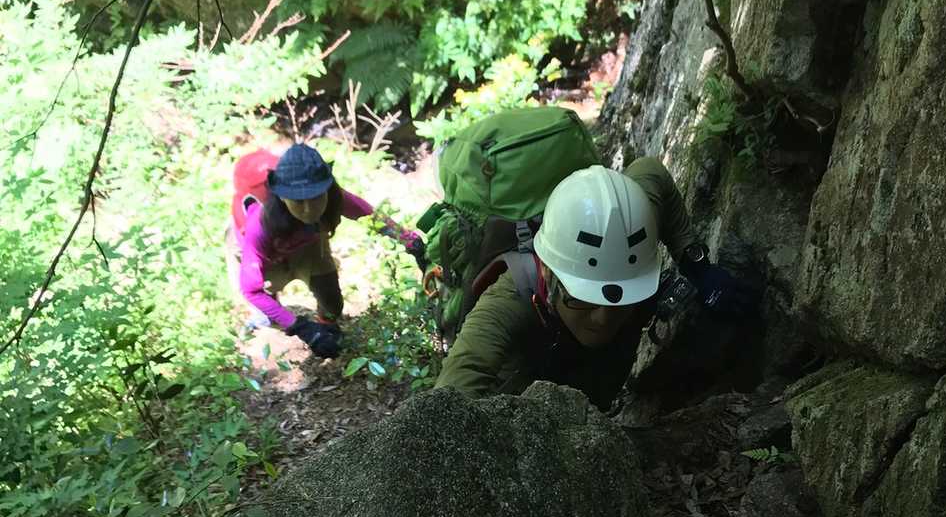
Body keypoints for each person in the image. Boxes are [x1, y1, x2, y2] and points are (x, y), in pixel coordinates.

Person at [433, 159, 759, 408]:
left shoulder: (630, 227)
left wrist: (695, 264)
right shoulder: (508, 301)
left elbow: (651, 172)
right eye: (583, 298)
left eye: (621, 299)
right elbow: (449, 398)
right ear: (548, 274)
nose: (603, 319)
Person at [229, 143, 424, 358]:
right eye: (298, 202)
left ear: (326, 189)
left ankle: (327, 327)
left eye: (315, 198)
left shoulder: (334, 197)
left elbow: (370, 216)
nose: (308, 209)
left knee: (331, 303)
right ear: (282, 197)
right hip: (268, 255)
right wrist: (302, 328)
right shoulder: (260, 227)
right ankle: (271, 318)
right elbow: (251, 290)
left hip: (306, 245)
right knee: (271, 316)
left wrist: (411, 242)